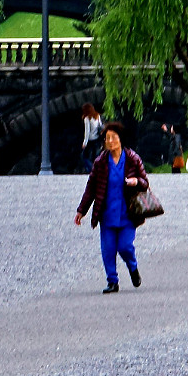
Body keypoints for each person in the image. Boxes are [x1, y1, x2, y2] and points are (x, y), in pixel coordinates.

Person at [74, 122, 148, 292]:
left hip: (128, 213)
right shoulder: (101, 162)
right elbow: (91, 188)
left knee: (125, 247)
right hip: (106, 214)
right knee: (108, 250)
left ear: (121, 139)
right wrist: (81, 210)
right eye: (107, 138)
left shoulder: (132, 159)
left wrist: (136, 181)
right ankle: (112, 281)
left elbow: (145, 182)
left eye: (113, 137)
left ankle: (133, 267)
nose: (110, 141)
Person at [80, 104, 104, 170]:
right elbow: (101, 125)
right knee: (94, 156)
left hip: (90, 140)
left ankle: (91, 169)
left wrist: (85, 143)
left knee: (84, 156)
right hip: (97, 139)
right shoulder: (97, 116)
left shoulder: (87, 118)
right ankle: (95, 169)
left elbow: (87, 131)